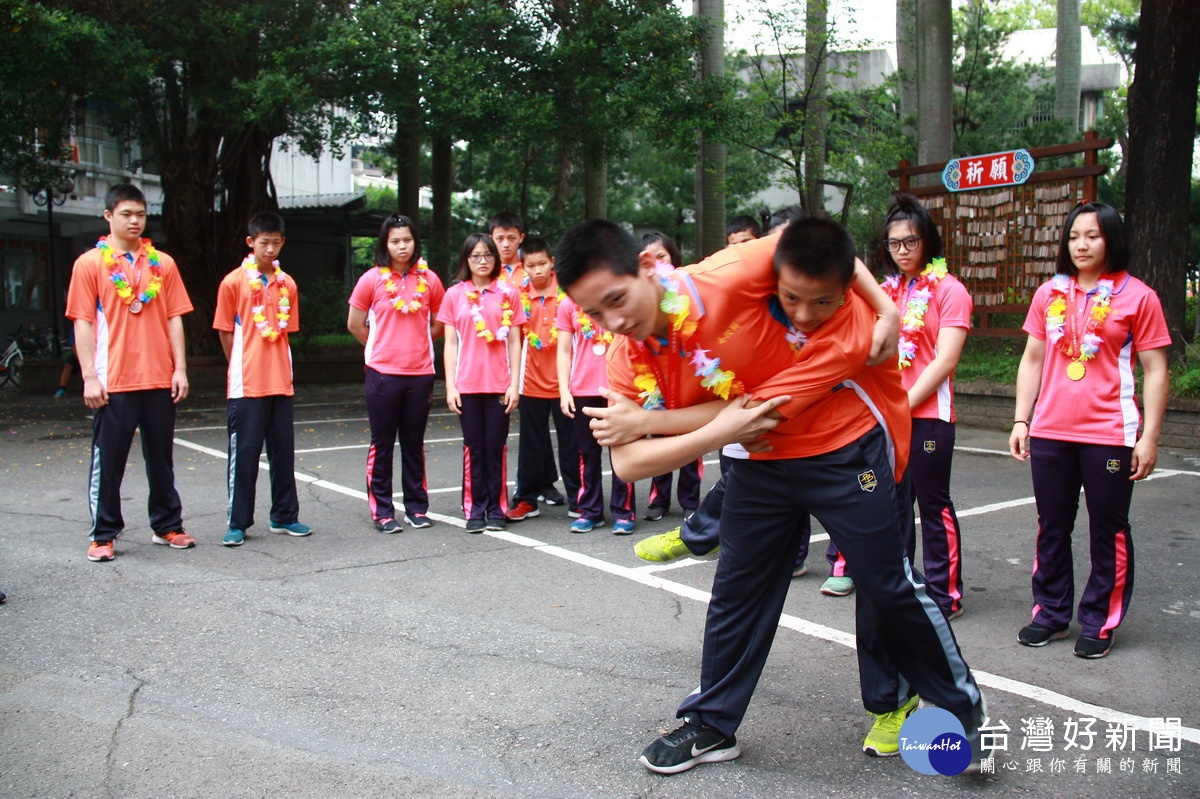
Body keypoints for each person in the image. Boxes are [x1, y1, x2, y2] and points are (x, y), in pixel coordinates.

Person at [555, 218, 990, 775]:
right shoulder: (625, 353)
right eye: (594, 313)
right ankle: (712, 724)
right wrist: (713, 432)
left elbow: (820, 240)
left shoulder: (730, 273)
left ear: (647, 266)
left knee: (887, 584)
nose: (613, 320)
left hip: (840, 438)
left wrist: (884, 309)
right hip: (756, 459)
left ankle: (964, 716)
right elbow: (629, 462)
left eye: (616, 299)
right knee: (738, 591)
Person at [1009, 201, 1169, 659]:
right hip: (1051, 430)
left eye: (1093, 236)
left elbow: (1156, 370)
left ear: (1111, 240)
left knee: (1109, 529)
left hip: (1110, 433)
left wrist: (1150, 436)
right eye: (1075, 235)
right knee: (1052, 526)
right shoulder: (1049, 295)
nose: (1081, 244)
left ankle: (1100, 620)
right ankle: (1051, 613)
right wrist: (1022, 419)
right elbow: (1033, 359)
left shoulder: (1138, 296)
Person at [66, 183, 195, 562]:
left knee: (161, 458)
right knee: (109, 461)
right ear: (108, 217)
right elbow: (83, 323)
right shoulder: (90, 264)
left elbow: (174, 318)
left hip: (158, 375)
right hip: (114, 378)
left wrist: (181, 369)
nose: (135, 220)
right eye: (126, 214)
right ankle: (103, 534)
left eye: (140, 214)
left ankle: (167, 525)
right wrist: (89, 375)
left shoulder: (163, 264)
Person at [877, 192, 972, 616]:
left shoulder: (950, 290)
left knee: (932, 505)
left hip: (929, 417)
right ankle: (900, 583)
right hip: (887, 416)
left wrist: (902, 404)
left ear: (928, 242)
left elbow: (945, 359)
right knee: (892, 503)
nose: (902, 251)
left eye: (910, 242)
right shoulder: (885, 292)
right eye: (894, 243)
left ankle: (945, 592)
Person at [212, 211, 311, 547]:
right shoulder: (232, 282)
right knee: (246, 453)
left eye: (276, 242)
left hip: (281, 381)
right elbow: (226, 333)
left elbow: (286, 332)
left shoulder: (289, 284)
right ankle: (238, 522)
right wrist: (240, 364)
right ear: (250, 242)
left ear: (283, 242)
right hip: (247, 382)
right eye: (264, 242)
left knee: (283, 452)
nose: (270, 249)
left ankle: (285, 516)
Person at [348, 215, 446, 533]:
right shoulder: (372, 279)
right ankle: (383, 511)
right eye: (395, 241)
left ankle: (417, 508)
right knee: (383, 443)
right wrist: (381, 347)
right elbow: (354, 323)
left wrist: (416, 344)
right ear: (385, 244)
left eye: (407, 240)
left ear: (415, 242)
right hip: (382, 374)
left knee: (414, 443)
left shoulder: (429, 279)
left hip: (420, 373)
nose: (402, 246)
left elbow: (439, 323)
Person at [438, 233, 527, 532]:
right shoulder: (454, 295)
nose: (482, 261)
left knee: (496, 446)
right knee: (473, 447)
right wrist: (450, 386)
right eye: (475, 256)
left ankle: (497, 509)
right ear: (466, 259)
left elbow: (515, 341)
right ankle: (475, 508)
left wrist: (514, 384)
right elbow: (450, 344)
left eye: (488, 255)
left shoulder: (507, 293)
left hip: (499, 385)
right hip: (467, 384)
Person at [509, 237, 580, 522]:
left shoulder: (569, 294)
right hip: (531, 383)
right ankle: (526, 499)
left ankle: (578, 499)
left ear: (552, 262)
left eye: (542, 264)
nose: (537, 271)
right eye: (530, 265)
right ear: (522, 266)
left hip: (566, 384)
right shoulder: (516, 295)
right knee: (530, 445)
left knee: (571, 445)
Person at [556, 292, 636, 534]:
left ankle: (624, 511)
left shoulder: (618, 297)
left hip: (618, 387)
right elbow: (563, 350)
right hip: (582, 388)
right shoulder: (569, 303)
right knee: (587, 453)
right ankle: (590, 511)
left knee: (621, 449)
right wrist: (563, 390)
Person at [639, 232, 701, 522]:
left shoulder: (685, 294)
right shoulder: (643, 300)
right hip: (656, 382)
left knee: (692, 441)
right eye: (650, 257)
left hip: (688, 377)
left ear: (673, 259)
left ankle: (690, 499)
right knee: (659, 441)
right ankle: (658, 499)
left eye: (661, 256)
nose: (657, 263)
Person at [489, 211, 530, 296]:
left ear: (521, 238)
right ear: (491, 239)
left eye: (511, 238)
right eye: (500, 239)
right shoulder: (487, 270)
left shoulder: (532, 267)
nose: (506, 245)